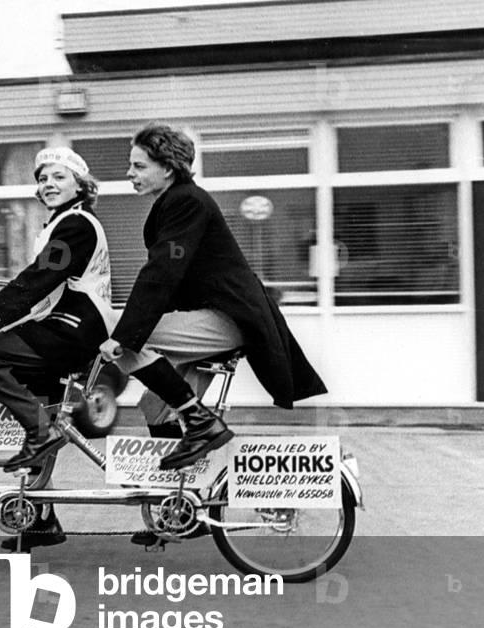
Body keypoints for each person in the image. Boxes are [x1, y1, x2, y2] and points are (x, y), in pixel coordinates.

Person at [98, 123, 327, 544]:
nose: (129, 173)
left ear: (168, 168)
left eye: (138, 165)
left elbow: (161, 272)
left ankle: (199, 421)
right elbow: (172, 277)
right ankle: (178, 510)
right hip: (209, 316)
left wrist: (126, 334)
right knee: (153, 406)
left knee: (119, 335)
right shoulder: (175, 202)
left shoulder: (186, 202)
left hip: (227, 319)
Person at [0, 147, 116, 551]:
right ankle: (41, 517)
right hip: (65, 325)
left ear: (81, 185)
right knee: (43, 405)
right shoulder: (62, 224)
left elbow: (38, 280)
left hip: (74, 328)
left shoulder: (76, 225)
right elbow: (39, 288)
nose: (48, 184)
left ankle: (40, 432)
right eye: (43, 179)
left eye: (59, 177)